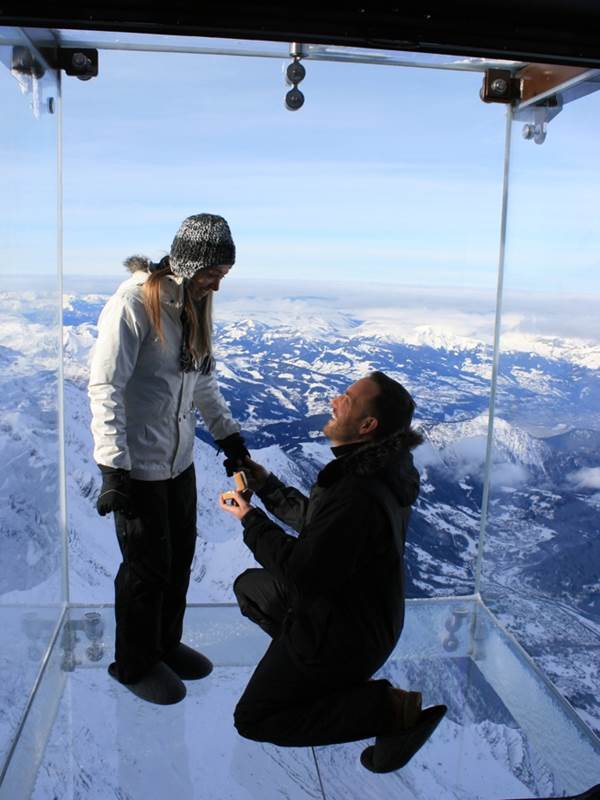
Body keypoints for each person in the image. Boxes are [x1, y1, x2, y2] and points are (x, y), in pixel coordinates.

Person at [219, 371, 447, 773]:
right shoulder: (375, 472)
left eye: (346, 398)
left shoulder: (359, 491)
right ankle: (316, 673)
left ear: (367, 425)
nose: (333, 401)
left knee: (252, 719)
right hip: (363, 614)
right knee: (251, 588)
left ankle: (389, 710)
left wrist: (249, 518)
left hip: (345, 634)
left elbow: (302, 575)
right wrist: (267, 486)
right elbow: (321, 527)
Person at [89, 213, 249, 705]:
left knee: (179, 559)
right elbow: (105, 386)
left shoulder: (194, 308)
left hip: (178, 462)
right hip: (137, 465)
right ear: (188, 262)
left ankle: (164, 644)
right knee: (145, 568)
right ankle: (133, 664)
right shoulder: (135, 303)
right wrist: (113, 468)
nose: (219, 280)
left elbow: (201, 382)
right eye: (213, 271)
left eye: (224, 272)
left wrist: (230, 441)